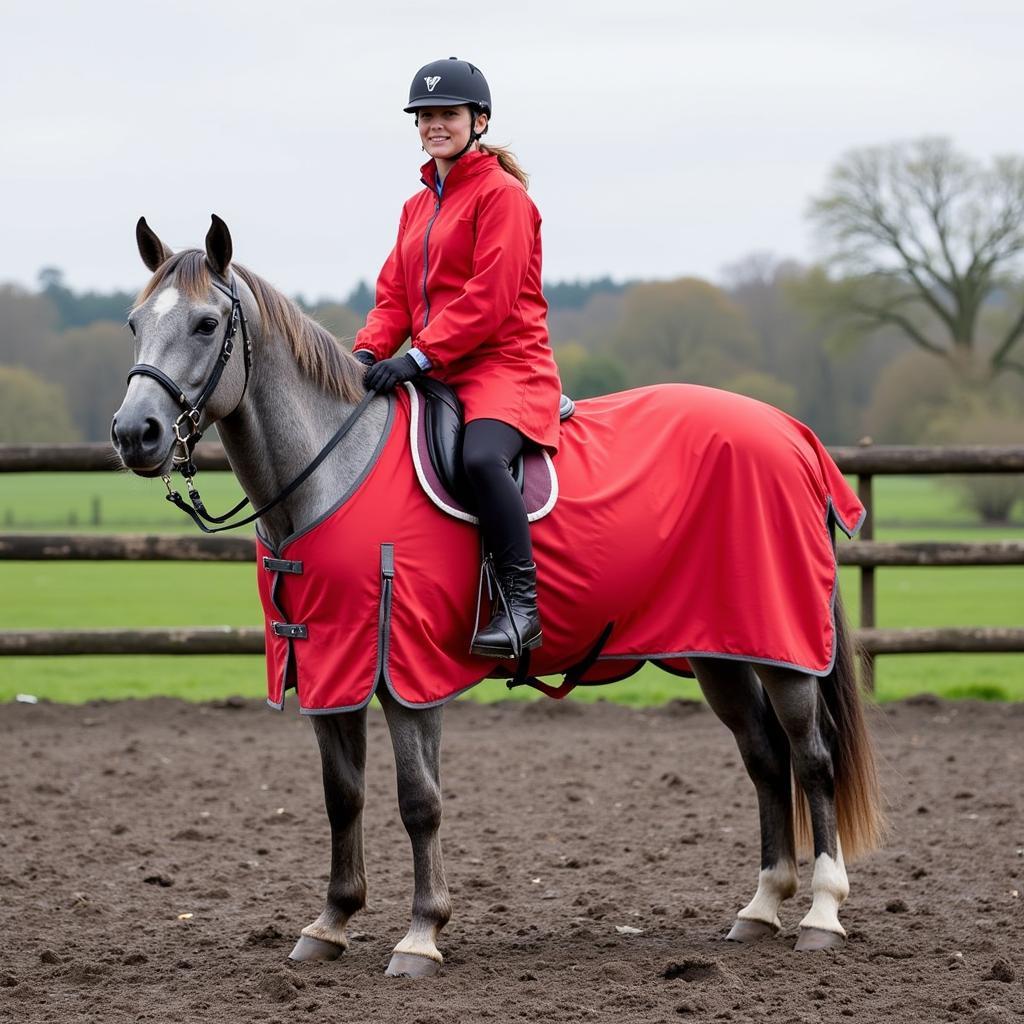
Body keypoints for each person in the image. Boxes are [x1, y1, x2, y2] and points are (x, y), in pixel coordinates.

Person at [352, 56, 562, 661]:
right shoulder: (415, 208)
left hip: (505, 365)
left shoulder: (503, 198)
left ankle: (521, 610)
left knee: (479, 458)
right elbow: (393, 295)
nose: (434, 125)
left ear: (479, 120)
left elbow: (490, 300)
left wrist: (417, 357)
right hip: (437, 367)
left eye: (447, 115)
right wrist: (368, 349)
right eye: (425, 116)